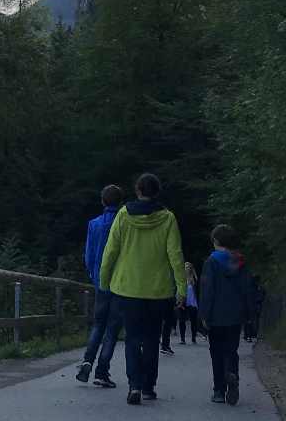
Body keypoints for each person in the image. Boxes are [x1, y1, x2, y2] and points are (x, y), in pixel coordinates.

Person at [99, 173, 187, 405]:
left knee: (132, 338)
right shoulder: (168, 218)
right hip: (158, 290)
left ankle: (134, 386)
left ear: (137, 190)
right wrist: (182, 288)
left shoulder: (124, 215)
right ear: (157, 192)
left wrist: (104, 280)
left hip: (127, 287)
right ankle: (148, 386)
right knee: (151, 338)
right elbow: (175, 255)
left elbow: (111, 250)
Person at [199, 224, 255, 405]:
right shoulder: (240, 262)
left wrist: (204, 315)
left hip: (216, 315)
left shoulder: (212, 262)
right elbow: (248, 289)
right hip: (236, 315)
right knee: (231, 350)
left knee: (216, 352)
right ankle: (232, 374)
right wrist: (249, 313)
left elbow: (208, 290)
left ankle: (218, 390)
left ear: (215, 241)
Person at [75, 184, 125, 389]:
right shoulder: (123, 223)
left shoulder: (93, 224)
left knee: (98, 324)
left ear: (103, 201)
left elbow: (88, 255)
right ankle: (102, 371)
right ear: (120, 202)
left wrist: (93, 274)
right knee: (113, 328)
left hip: (100, 281)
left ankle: (87, 360)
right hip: (120, 282)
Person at [178, 262, 200, 344]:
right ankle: (182, 339)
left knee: (193, 321)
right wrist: (179, 301)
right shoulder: (181, 279)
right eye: (186, 267)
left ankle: (193, 337)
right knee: (181, 320)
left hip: (192, 303)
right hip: (183, 302)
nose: (187, 268)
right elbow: (178, 291)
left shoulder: (195, 279)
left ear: (191, 268)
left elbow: (198, 292)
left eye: (189, 267)